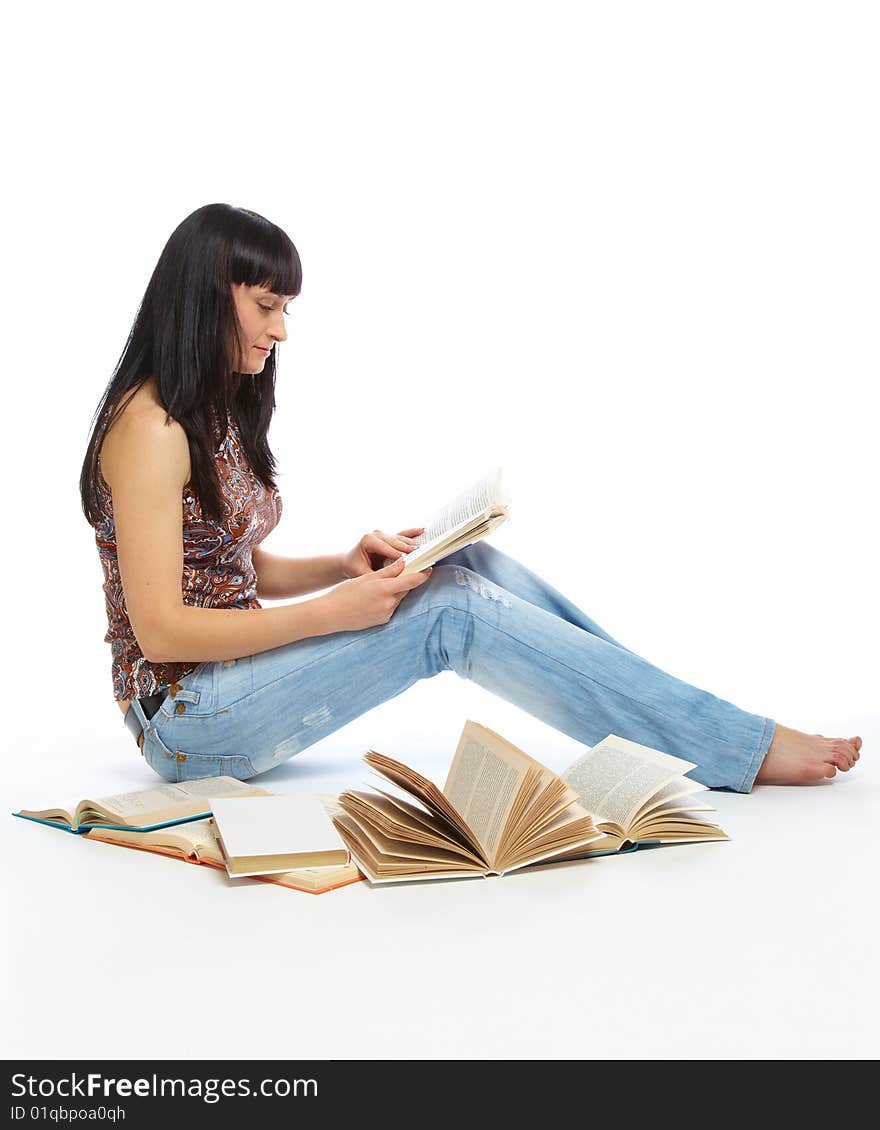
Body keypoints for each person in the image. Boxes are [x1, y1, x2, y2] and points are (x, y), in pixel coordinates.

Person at [80, 203, 862, 791]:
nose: (282, 330)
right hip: (185, 724)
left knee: (469, 561)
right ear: (205, 298)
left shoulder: (208, 407)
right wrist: (336, 613)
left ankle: (674, 725)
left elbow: (228, 570)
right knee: (450, 614)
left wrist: (342, 569)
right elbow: (161, 630)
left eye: (285, 309)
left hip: (230, 683)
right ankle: (726, 745)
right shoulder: (148, 430)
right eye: (266, 306)